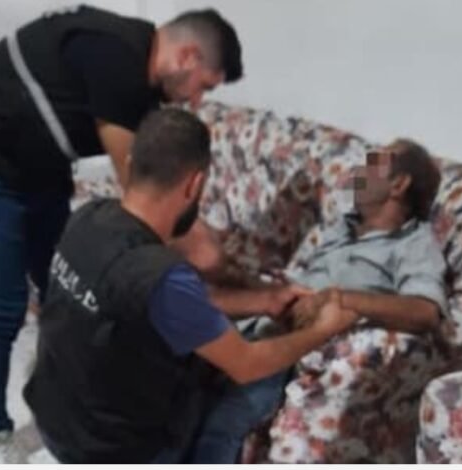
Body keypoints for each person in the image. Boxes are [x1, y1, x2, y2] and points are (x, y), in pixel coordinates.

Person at [0, 5, 242, 463]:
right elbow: (145, 189)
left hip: (40, 164)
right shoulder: (116, 55)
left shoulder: (140, 85)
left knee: (62, 286)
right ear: (188, 56)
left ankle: (55, 391)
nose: (196, 100)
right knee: (2, 306)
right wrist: (206, 251)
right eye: (203, 86)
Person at [22, 108, 359, 463]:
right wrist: (321, 331)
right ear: (194, 185)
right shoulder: (161, 275)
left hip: (54, 420)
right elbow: (246, 364)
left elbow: (165, 305)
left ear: (133, 163)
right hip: (114, 451)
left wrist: (263, 301)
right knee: (257, 382)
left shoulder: (88, 217)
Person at [190, 138, 449, 463]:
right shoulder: (343, 227)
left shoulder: (414, 243)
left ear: (399, 184)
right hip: (259, 324)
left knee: (223, 424)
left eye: (373, 162)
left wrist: (340, 298)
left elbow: (426, 310)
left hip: (292, 349)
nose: (358, 170)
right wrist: (245, 281)